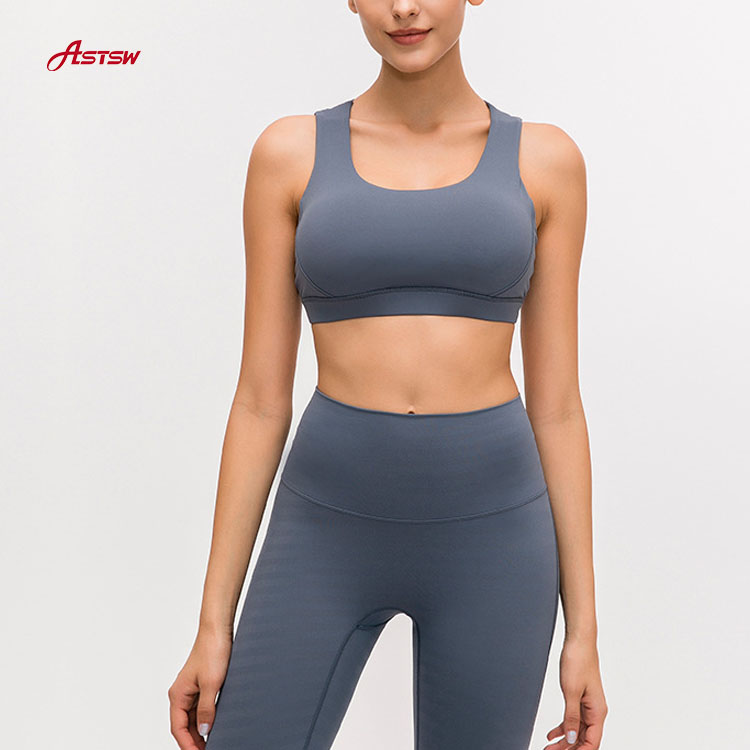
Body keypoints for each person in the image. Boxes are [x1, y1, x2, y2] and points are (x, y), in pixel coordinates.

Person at [168, 1, 608, 748]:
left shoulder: (546, 162)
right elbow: (260, 401)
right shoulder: (289, 153)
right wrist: (213, 624)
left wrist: (584, 634)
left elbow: (558, 406)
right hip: (324, 528)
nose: (404, 7)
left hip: (495, 539)